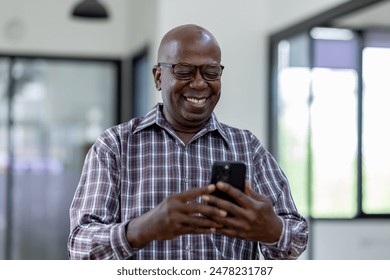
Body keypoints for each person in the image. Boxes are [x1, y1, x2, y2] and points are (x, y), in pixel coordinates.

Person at [67, 24, 308, 260]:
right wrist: (141, 230)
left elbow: (296, 237)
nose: (200, 83)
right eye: (184, 71)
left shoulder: (247, 147)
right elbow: (79, 247)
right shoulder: (115, 146)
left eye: (211, 73)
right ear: (159, 77)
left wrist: (273, 230)